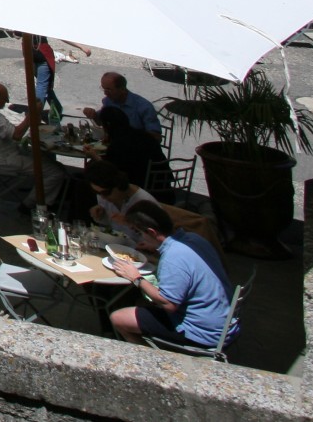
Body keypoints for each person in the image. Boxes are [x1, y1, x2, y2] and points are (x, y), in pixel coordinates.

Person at [107, 202, 237, 350]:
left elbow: (168, 304)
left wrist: (136, 278)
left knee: (117, 318)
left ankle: (150, 360)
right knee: (143, 304)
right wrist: (155, 247)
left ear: (152, 232)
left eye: (139, 233)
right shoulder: (193, 239)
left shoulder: (173, 257)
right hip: (224, 324)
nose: (140, 239)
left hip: (203, 334)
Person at [0, 80, 66, 205]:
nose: (6, 102)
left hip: (4, 153)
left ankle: (44, 197)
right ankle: (30, 205)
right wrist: (31, 115)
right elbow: (16, 135)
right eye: (5, 98)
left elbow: (9, 131)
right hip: (1, 159)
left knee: (55, 165)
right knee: (56, 172)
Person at [96, 103, 175, 202]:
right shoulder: (145, 136)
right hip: (164, 190)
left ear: (107, 125)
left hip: (138, 195)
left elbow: (110, 172)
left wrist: (95, 157)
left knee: (85, 184)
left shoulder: (118, 146)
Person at [85, 159, 161, 238]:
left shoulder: (143, 201)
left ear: (118, 184)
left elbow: (159, 237)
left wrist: (132, 223)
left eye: (106, 193)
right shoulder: (104, 195)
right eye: (97, 193)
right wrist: (100, 216)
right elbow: (111, 226)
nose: (102, 197)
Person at [84, 72, 164, 142]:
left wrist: (132, 135)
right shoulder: (109, 101)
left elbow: (156, 138)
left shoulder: (143, 106)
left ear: (122, 89)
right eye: (103, 89)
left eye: (109, 90)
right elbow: (101, 121)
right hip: (115, 148)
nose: (105, 93)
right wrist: (93, 115)